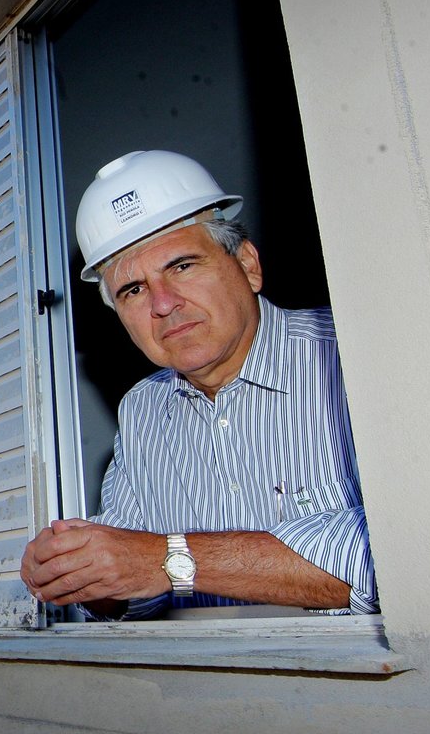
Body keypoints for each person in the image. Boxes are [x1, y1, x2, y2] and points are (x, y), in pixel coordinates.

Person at [19, 150, 378, 619]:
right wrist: (79, 570)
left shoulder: (355, 359)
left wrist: (168, 561)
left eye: (183, 266)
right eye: (133, 290)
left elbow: (400, 553)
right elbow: (133, 589)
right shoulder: (141, 411)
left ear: (248, 265)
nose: (163, 304)